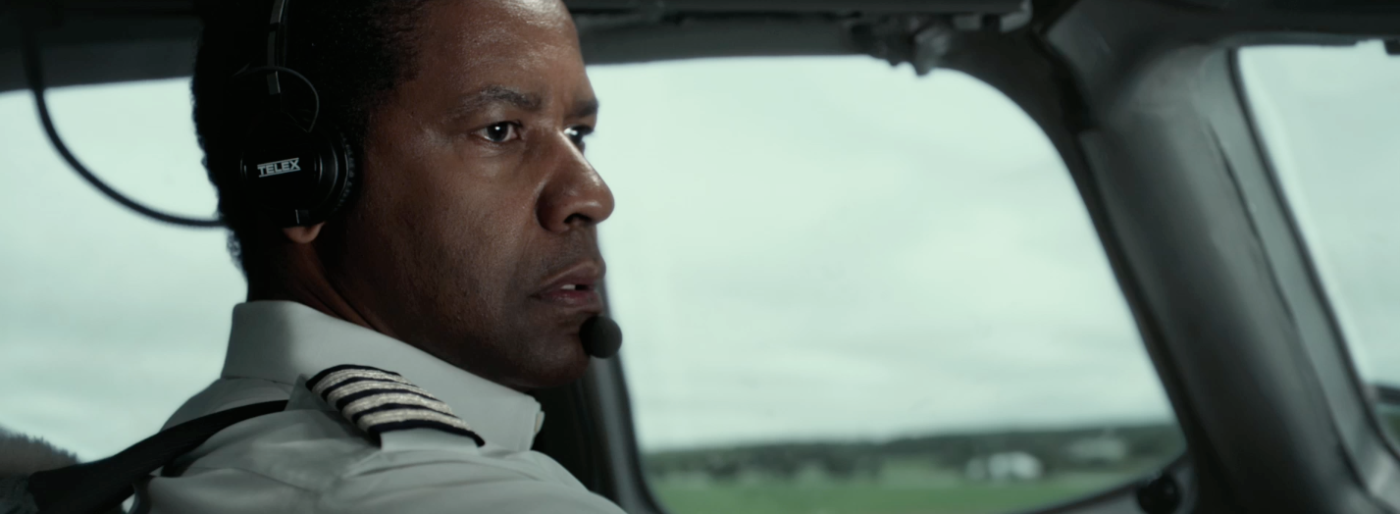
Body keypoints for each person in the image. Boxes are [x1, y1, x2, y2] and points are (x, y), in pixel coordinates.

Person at [136, 0, 624, 511]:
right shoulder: (424, 495)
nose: (594, 196)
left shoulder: (217, 433)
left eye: (577, 134)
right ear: (298, 175)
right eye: (499, 130)